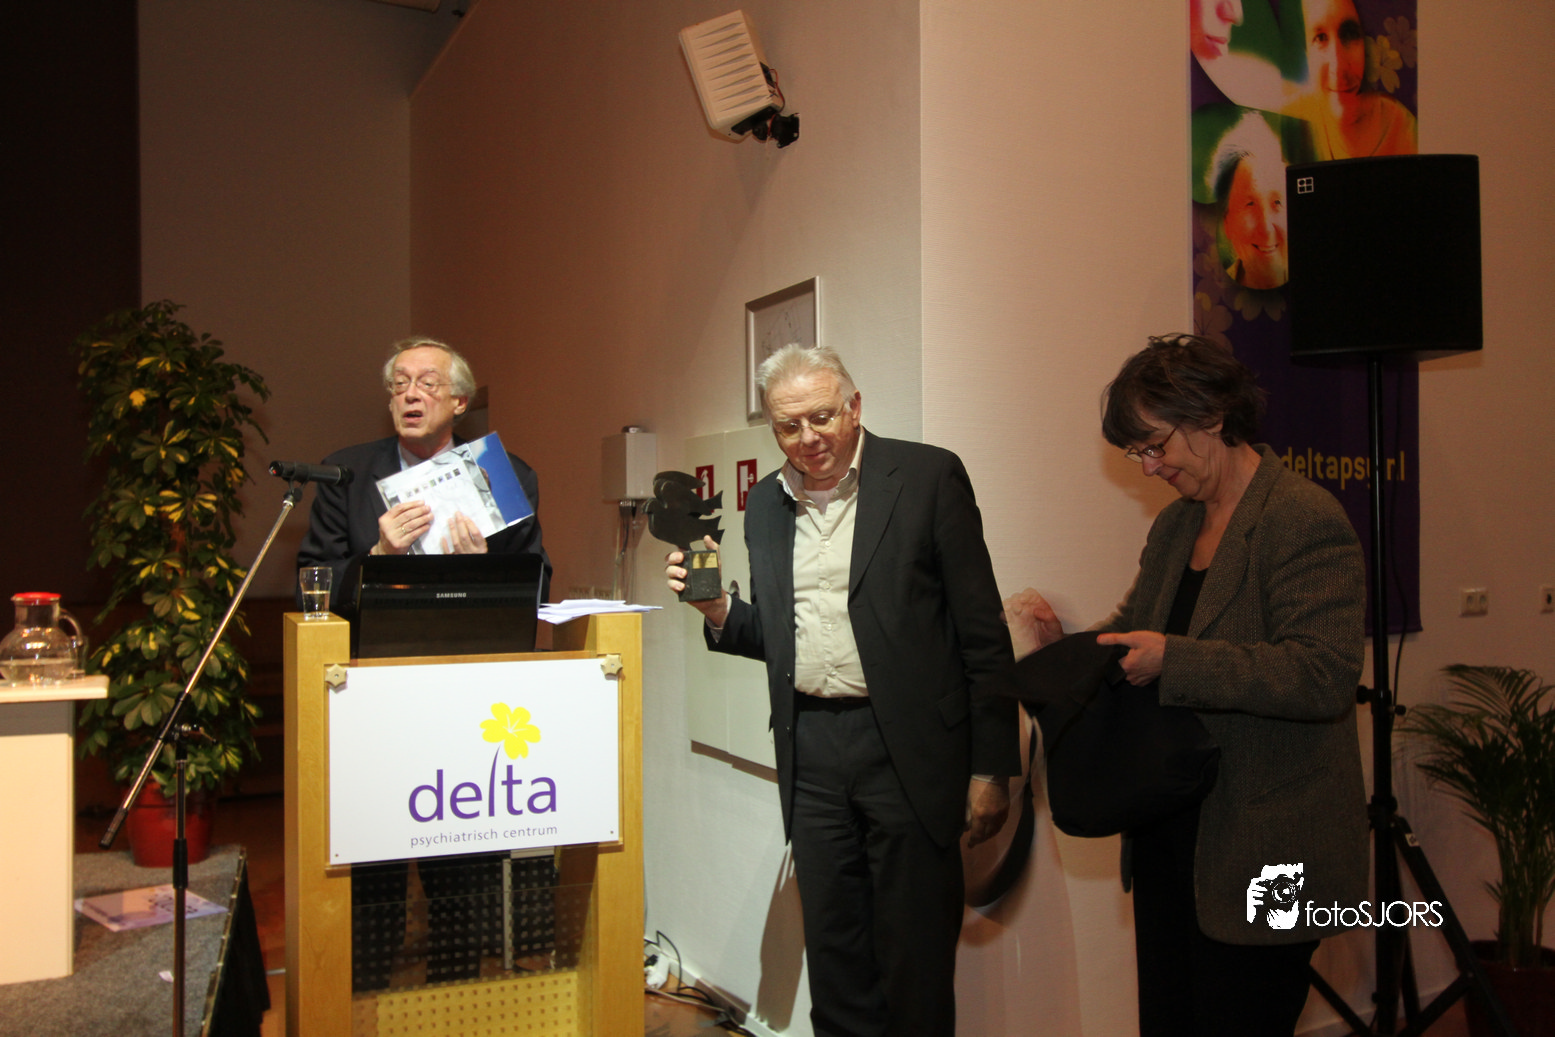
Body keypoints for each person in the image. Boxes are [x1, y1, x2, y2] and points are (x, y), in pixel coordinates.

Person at [1005, 334, 1367, 1037]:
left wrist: (1176, 660)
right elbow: (1134, 629)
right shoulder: (1176, 525)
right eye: (1135, 454)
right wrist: (1063, 646)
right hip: (1171, 832)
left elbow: (1322, 673)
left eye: (1154, 445)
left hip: (1272, 845)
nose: (1149, 467)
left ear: (1210, 414)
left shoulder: (1303, 517)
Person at [665, 344, 1018, 1037]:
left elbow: (983, 635)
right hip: (813, 754)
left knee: (915, 965)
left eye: (821, 417)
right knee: (835, 963)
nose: (807, 438)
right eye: (788, 425)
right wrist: (719, 613)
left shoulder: (927, 477)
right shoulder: (765, 503)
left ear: (854, 407)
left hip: (908, 749)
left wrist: (991, 766)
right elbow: (785, 637)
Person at [296, 336, 552, 991]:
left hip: (467, 703)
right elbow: (310, 582)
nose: (410, 394)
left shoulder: (507, 475)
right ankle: (364, 1004)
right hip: (371, 702)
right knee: (373, 870)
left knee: (463, 873)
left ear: (460, 402)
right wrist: (378, 557)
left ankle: (455, 1001)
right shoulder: (347, 473)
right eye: (399, 384)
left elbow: (536, 587)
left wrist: (483, 567)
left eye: (427, 383)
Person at [1285, 0, 1416, 160]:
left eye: (1349, 34)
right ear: (1305, 52)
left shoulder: (1401, 126)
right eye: (1320, 38)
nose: (1338, 66)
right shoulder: (1290, 124)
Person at [1211, 111, 1289, 291]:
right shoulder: (1216, 294)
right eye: (1250, 204)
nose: (1266, 229)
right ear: (1227, 222)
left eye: (1277, 202)